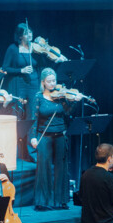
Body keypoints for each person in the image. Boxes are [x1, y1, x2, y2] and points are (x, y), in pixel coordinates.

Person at [30, 68, 71, 211]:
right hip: (44, 135)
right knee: (43, 168)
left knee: (62, 167)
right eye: (49, 81)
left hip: (60, 134)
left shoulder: (61, 97)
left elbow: (68, 113)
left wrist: (74, 102)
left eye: (54, 80)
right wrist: (33, 137)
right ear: (43, 82)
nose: (52, 84)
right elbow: (34, 119)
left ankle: (61, 200)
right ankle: (43, 202)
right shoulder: (38, 97)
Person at [1, 22, 38, 107]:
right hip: (19, 86)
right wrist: (21, 70)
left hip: (34, 84)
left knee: (32, 112)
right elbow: (5, 68)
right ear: (20, 36)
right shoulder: (13, 48)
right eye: (26, 33)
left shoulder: (36, 48)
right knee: (18, 110)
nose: (30, 35)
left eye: (30, 32)